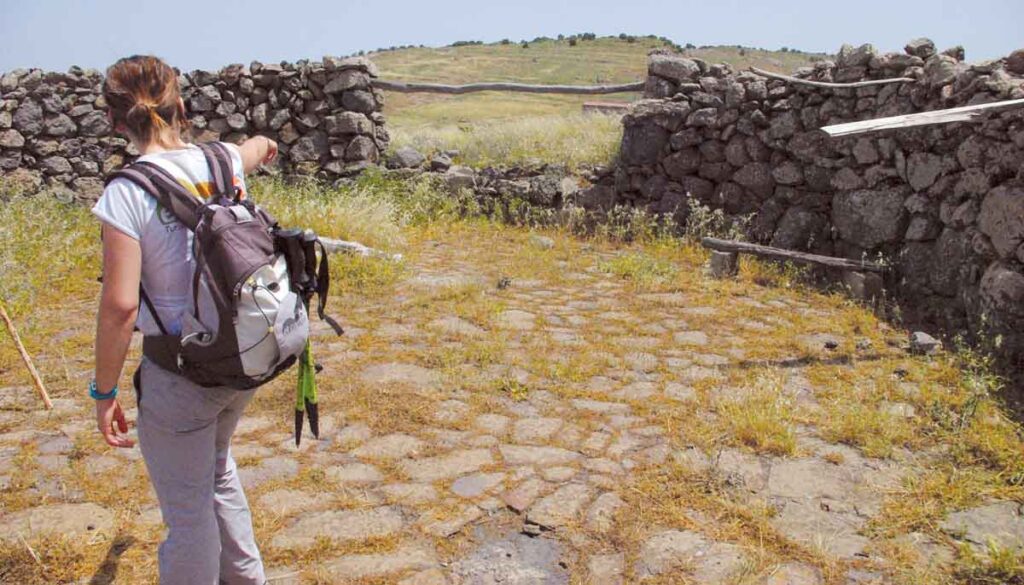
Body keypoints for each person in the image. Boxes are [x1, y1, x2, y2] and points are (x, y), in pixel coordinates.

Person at [90, 55, 278, 585]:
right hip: (241, 355)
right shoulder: (223, 162)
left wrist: (104, 394)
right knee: (218, 472)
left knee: (189, 511)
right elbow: (256, 147)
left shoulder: (125, 194)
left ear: (114, 121)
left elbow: (121, 306)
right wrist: (264, 146)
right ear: (182, 107)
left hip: (180, 373)